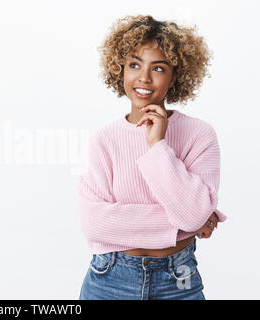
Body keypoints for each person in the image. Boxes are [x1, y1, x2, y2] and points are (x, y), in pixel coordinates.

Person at [78, 15, 228, 300]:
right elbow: (95, 224)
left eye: (158, 68)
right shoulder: (103, 140)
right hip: (109, 280)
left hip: (179, 281)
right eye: (134, 64)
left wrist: (157, 145)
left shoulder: (199, 135)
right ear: (119, 69)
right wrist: (186, 223)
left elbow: (195, 214)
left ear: (175, 77)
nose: (143, 78)